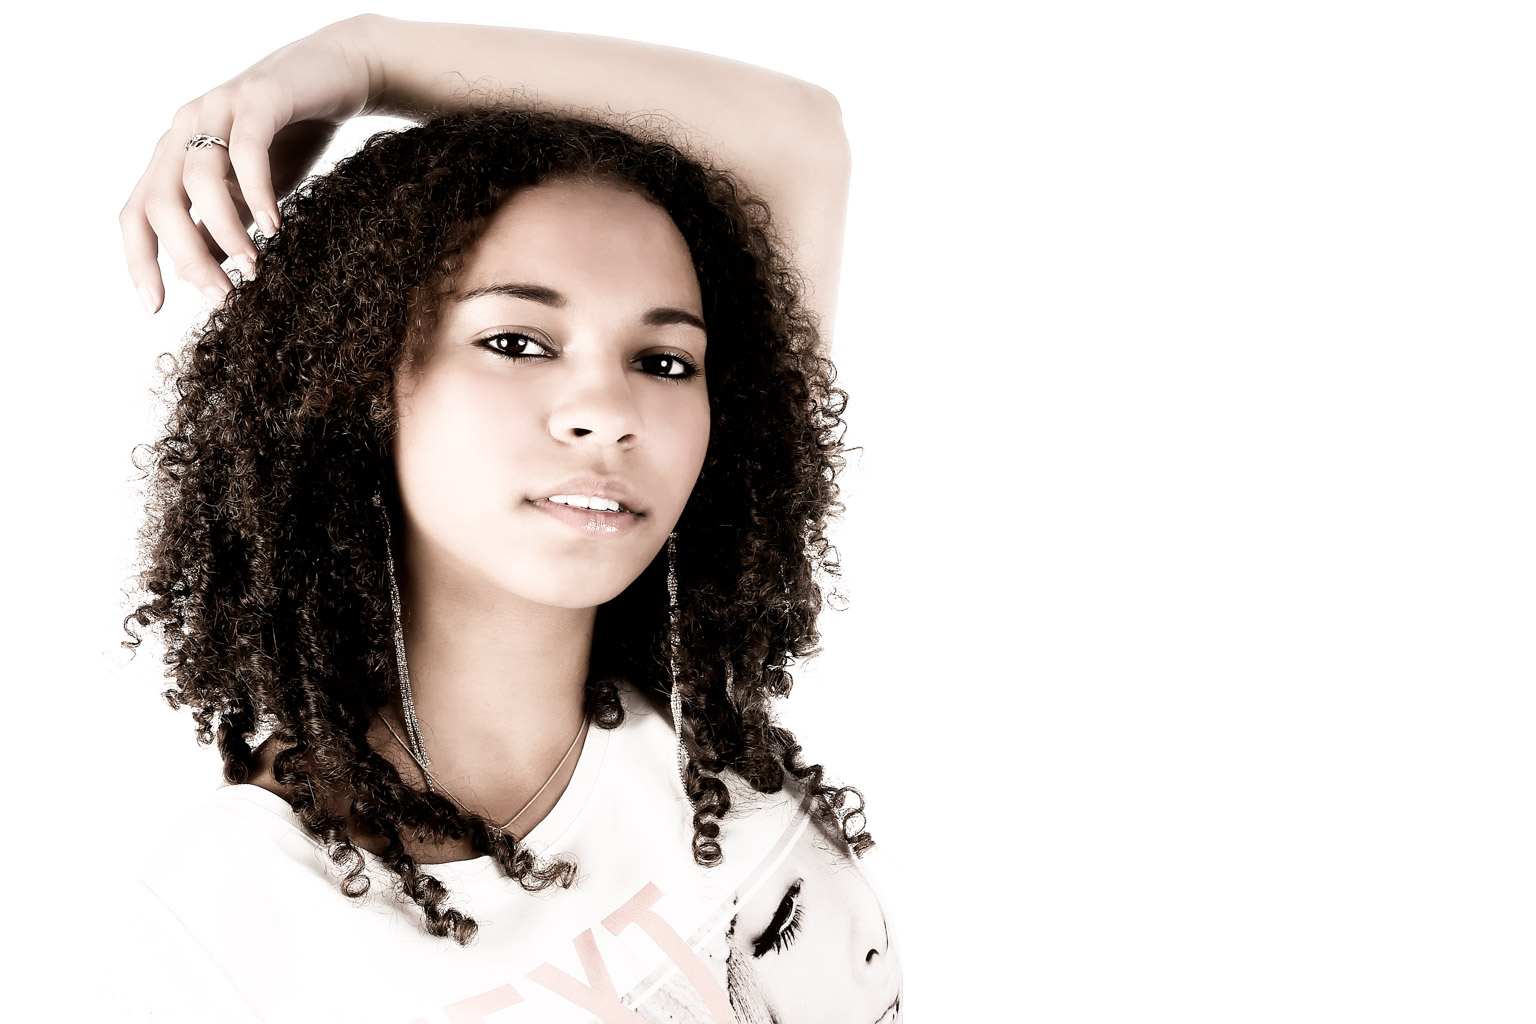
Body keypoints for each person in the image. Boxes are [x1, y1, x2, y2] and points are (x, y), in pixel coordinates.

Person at [117, 15, 901, 1024]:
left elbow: (795, 140)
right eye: (519, 341)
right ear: (362, 387)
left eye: (664, 361)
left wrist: (363, 59)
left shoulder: (691, 709)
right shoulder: (232, 914)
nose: (608, 410)